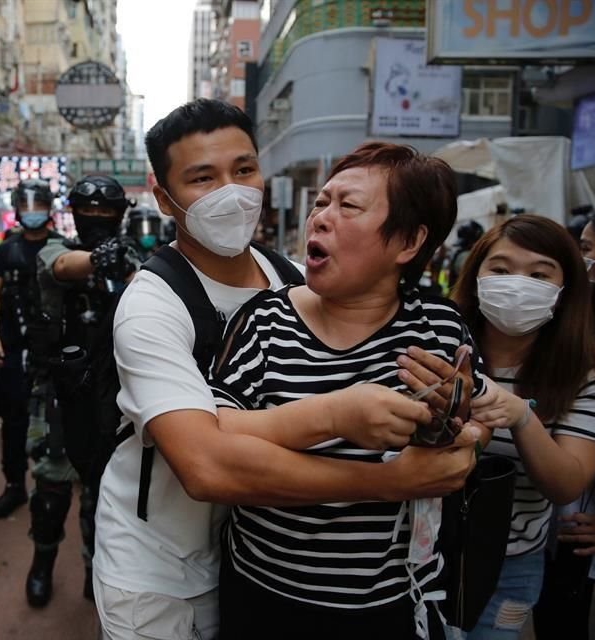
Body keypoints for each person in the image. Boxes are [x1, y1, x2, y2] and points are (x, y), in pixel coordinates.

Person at [92, 99, 478, 640]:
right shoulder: (151, 309)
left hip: (240, 556)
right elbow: (206, 467)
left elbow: (465, 412)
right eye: (203, 178)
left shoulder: (297, 279)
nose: (231, 192)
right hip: (159, 569)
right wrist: (389, 479)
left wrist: (457, 416)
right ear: (163, 198)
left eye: (244, 169)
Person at [208, 142, 485, 639]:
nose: (320, 218)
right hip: (261, 592)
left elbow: (476, 431)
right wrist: (336, 416)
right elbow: (215, 435)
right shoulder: (265, 321)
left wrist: (454, 428)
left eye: (348, 205)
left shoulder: (438, 331)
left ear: (408, 242)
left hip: (388, 604)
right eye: (321, 202)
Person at [448, 214, 595, 639]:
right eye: (501, 269)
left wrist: (522, 417)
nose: (517, 284)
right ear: (476, 275)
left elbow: (566, 484)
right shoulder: (438, 343)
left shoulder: (591, 372)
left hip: (512, 564)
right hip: (420, 549)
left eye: (540, 274)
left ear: (564, 290)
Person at [25, 175, 142, 608]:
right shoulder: (54, 249)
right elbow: (60, 267)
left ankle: (97, 570)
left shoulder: (131, 257)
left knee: (103, 492)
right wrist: (96, 259)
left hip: (111, 393)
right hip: (58, 390)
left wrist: (125, 269)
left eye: (104, 212)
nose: (95, 218)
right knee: (51, 490)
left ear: (119, 215)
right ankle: (42, 562)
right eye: (87, 212)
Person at [534, 203, 595, 640]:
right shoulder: (576, 335)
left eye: (587, 249)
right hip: (568, 528)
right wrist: (592, 449)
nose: (580, 262)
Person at [0, 179, 63, 519]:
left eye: (38, 205)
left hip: (54, 348)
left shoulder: (62, 248)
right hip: (15, 348)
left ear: (49, 209)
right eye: (26, 206)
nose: (32, 212)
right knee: (13, 419)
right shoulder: (7, 250)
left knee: (56, 415)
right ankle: (14, 483)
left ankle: (55, 481)